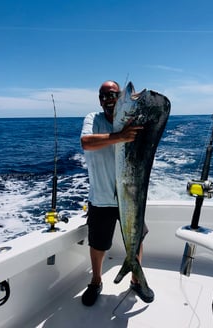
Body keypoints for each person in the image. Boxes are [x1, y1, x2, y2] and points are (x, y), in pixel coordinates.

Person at [80, 80, 153, 306]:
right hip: (102, 198)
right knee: (98, 243)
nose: (109, 100)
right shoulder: (93, 119)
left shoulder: (133, 122)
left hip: (130, 196)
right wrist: (120, 136)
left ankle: (136, 279)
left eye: (114, 95)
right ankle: (96, 281)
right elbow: (86, 142)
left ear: (120, 98)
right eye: (104, 96)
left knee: (136, 237)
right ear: (100, 100)